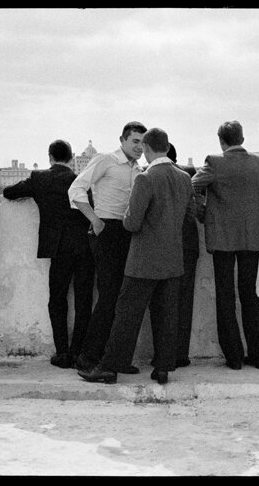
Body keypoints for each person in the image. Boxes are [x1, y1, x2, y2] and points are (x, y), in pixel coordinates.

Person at [78, 128, 190, 385]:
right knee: (166, 315)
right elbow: (187, 214)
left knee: (127, 314)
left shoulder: (146, 178)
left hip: (143, 260)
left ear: (149, 149)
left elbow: (131, 223)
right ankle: (162, 368)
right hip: (173, 257)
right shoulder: (184, 177)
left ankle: (108, 367)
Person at [193, 120, 259, 370]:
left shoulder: (214, 162)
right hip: (252, 237)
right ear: (242, 138)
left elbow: (191, 186)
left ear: (221, 141)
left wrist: (203, 210)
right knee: (249, 295)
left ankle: (233, 357)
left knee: (225, 295)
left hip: (222, 238)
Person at [2, 140, 94, 369]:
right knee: (84, 302)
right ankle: (78, 353)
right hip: (84, 247)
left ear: (50, 156)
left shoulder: (39, 179)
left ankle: (62, 352)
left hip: (58, 248)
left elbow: (9, 193)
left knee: (57, 300)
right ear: (71, 158)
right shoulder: (80, 180)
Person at [69, 121, 147, 375]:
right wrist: (95, 220)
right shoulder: (106, 160)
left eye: (142, 142)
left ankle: (115, 358)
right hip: (106, 231)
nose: (139, 147)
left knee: (123, 298)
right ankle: (88, 358)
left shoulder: (139, 170)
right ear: (123, 140)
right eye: (135, 141)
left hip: (128, 233)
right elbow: (76, 188)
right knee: (109, 296)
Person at [168, 144, 201, 369]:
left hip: (164, 244)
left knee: (163, 301)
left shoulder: (147, 174)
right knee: (185, 300)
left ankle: (164, 354)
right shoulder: (189, 173)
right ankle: (181, 354)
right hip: (188, 241)